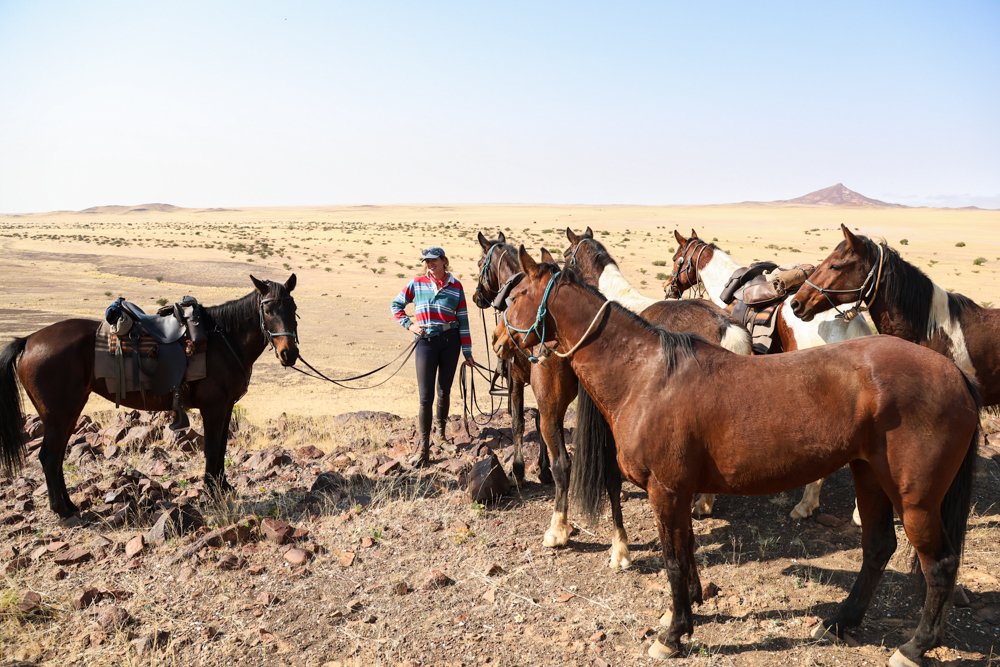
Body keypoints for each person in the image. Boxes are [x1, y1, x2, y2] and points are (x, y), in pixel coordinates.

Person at [391, 246, 475, 466]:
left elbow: (463, 320)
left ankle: (441, 436)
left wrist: (467, 352)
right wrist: (410, 325)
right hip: (426, 342)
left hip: (450, 342)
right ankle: (425, 448)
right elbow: (396, 305)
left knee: (444, 391)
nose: (430, 264)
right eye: (427, 261)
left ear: (443, 261)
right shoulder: (417, 283)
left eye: (433, 260)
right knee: (425, 397)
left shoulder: (456, 286)